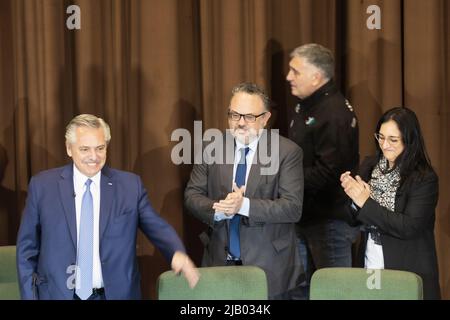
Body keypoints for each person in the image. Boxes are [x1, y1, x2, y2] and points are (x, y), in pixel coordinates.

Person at [16, 114, 199, 300]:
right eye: (85, 149)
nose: (94, 157)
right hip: (57, 294)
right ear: (69, 148)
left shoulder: (129, 186)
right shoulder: (43, 186)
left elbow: (155, 225)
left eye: (100, 148)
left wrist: (176, 251)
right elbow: (26, 250)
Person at [184, 82, 304, 299]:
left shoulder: (287, 152)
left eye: (249, 117)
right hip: (219, 264)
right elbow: (192, 196)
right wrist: (219, 209)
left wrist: (244, 205)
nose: (240, 123)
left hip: (270, 269)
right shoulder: (211, 147)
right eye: (234, 115)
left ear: (266, 118)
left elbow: (292, 208)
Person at [340, 107, 440, 300]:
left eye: (393, 139)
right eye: (381, 137)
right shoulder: (370, 165)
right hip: (370, 260)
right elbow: (352, 218)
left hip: (407, 266)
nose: (385, 145)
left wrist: (364, 202)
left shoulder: (423, 178)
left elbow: (409, 227)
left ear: (409, 140)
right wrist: (352, 197)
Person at [286, 43, 360, 298]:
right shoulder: (304, 105)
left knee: (334, 293)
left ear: (316, 76)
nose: (288, 77)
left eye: (295, 71)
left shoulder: (335, 114)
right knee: (298, 291)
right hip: (303, 216)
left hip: (330, 223)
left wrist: (284, 181)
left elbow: (329, 173)